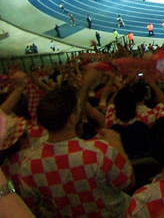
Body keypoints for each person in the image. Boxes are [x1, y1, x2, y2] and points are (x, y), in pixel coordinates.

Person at [19, 74, 134, 216]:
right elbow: (128, 183)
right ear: (72, 119)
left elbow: (32, 206)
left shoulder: (28, 164)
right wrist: (117, 143)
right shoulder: (99, 152)